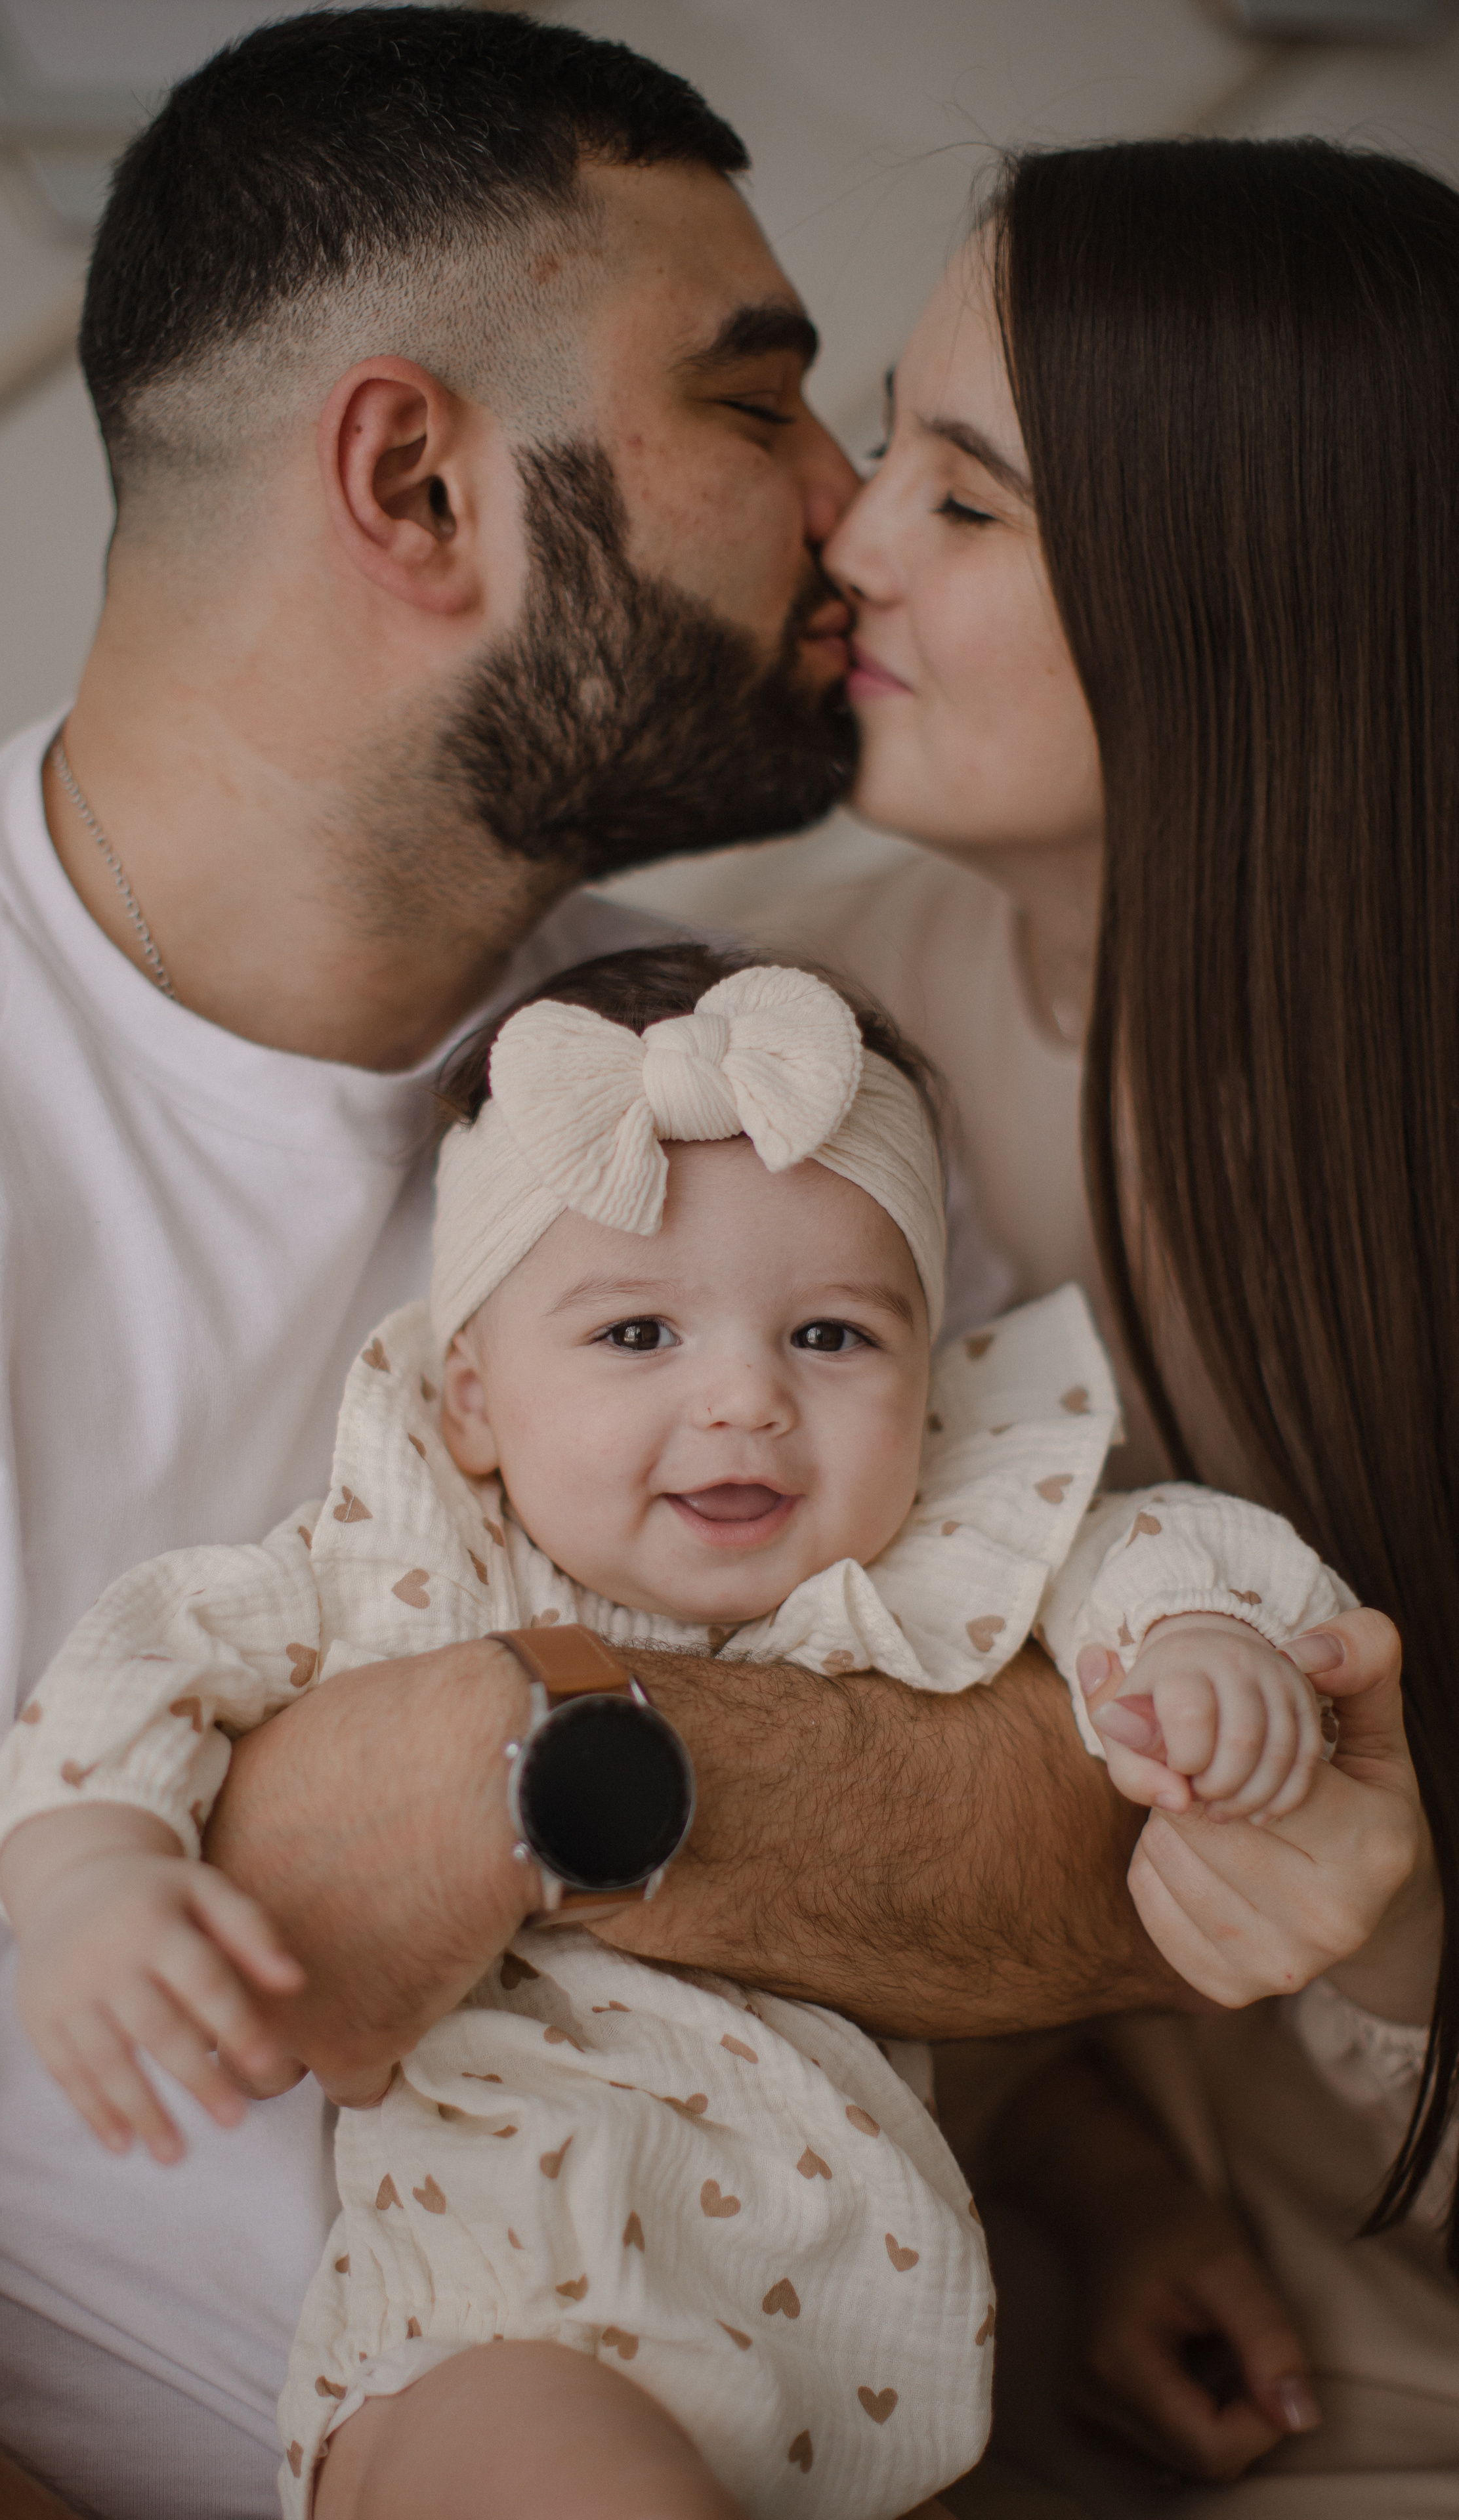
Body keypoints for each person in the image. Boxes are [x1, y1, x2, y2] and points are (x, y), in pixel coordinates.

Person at [0, 5, 1412, 2510]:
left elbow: (1082, 1845)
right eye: (763, 407)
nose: (849, 511)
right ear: (420, 482)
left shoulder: (759, 1066)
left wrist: (511, 1763)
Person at [0, 944, 1353, 2520]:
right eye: (638, 1336)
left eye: (829, 1337)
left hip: (868, 2364)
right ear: (477, 1400)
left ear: (925, 1374)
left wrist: (1196, 1639)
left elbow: (1147, 1542)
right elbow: (148, 1656)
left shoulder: (923, 1562)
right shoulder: (414, 1563)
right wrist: (90, 1872)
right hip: (523, 2313)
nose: (745, 1401)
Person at [789, 135, 1456, 2511]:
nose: (848, 536)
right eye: (891, 453)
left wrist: (1388, 1951)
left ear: (1251, 602)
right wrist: (1098, 2168)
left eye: (967, 504)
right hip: (998, 2349)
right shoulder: (806, 1021)